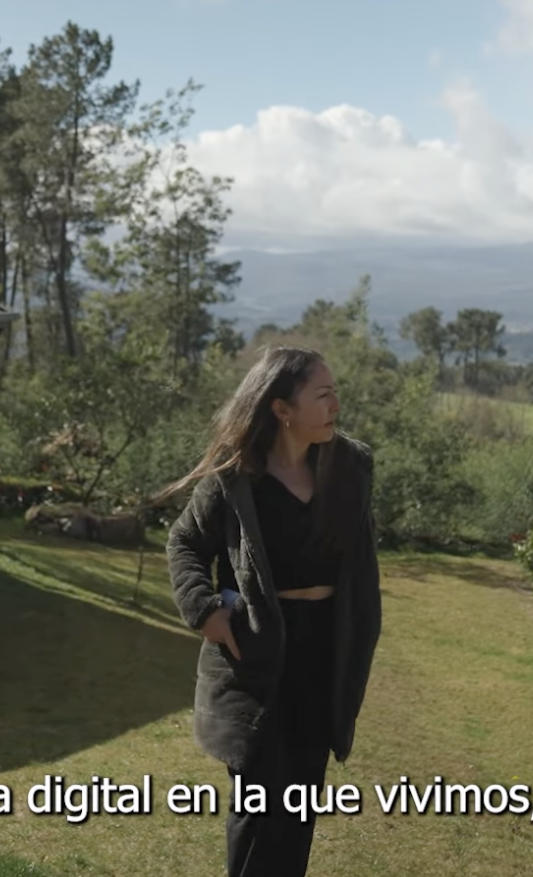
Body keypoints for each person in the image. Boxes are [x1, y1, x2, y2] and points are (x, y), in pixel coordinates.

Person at [162, 346, 384, 877]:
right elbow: (185, 541)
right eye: (323, 395)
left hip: (324, 653)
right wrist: (205, 610)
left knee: (299, 804)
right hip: (256, 651)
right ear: (282, 409)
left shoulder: (349, 467)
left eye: (336, 393)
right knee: (258, 805)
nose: (336, 405)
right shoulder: (236, 478)